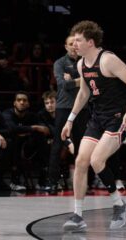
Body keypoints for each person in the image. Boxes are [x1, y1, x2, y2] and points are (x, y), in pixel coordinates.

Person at [61, 20, 126, 231]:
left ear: (90, 42)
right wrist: (70, 120)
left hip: (117, 118)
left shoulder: (108, 60)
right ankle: (78, 215)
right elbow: (84, 93)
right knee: (81, 161)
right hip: (98, 118)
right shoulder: (81, 64)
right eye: (73, 41)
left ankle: (119, 204)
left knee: (97, 160)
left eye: (78, 41)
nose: (74, 44)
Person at [47, 35, 90, 194]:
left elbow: (92, 83)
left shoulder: (85, 62)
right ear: (65, 46)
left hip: (82, 109)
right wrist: (81, 80)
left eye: (76, 43)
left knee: (82, 146)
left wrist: (73, 80)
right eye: (71, 44)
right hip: (64, 107)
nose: (74, 46)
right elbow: (63, 84)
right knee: (58, 144)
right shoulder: (60, 63)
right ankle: (52, 182)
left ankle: (83, 182)